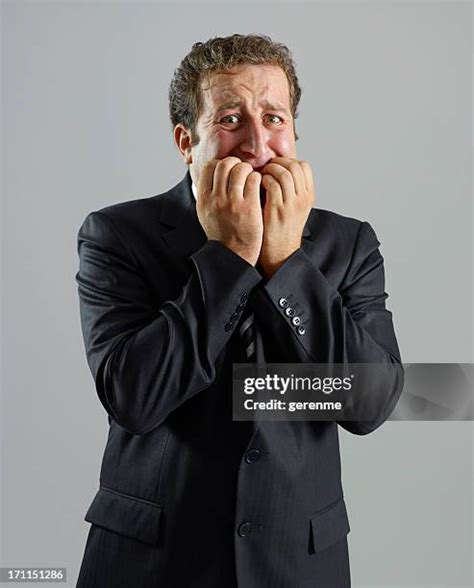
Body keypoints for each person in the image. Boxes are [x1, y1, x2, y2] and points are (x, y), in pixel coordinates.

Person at [75, 34, 402, 588]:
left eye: (274, 117)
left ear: (294, 132)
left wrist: (286, 263)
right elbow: (135, 397)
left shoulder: (349, 245)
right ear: (187, 142)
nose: (257, 143)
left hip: (298, 561)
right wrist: (229, 256)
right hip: (151, 561)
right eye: (230, 119)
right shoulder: (117, 235)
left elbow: (369, 401)